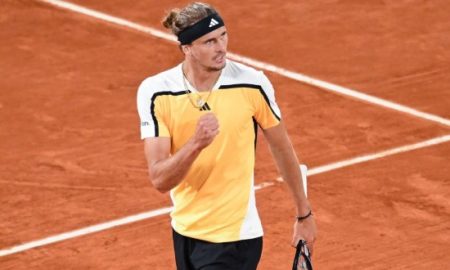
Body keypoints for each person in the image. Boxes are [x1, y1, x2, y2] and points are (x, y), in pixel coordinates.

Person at [136, 2, 317, 269]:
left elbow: (282, 149)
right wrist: (196, 144)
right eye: (209, 41)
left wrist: (305, 216)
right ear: (187, 48)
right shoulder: (156, 91)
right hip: (185, 230)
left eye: (223, 35)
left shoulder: (251, 83)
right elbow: (160, 179)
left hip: (235, 237)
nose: (221, 47)